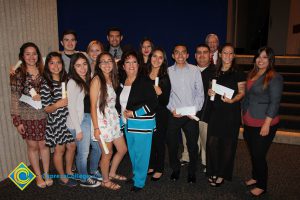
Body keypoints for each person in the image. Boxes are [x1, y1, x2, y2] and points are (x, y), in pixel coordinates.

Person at [10, 42, 52, 188]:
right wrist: (17, 121)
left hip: (44, 115)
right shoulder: (17, 74)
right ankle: (38, 176)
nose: (31, 57)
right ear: (22, 56)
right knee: (33, 146)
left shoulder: (45, 71)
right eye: (27, 54)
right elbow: (14, 98)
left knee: (44, 145)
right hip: (26, 117)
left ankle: (46, 173)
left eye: (34, 53)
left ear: (38, 55)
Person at [242, 47, 283, 197]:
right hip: (249, 120)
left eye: (265, 57)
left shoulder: (274, 77)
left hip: (264, 122)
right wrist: (243, 114)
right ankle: (255, 177)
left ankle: (262, 185)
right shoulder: (252, 74)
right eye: (259, 56)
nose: (260, 60)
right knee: (253, 152)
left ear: (270, 60)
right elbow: (247, 97)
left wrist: (266, 123)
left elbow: (275, 102)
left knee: (259, 154)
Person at [116, 51, 158, 192]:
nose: (131, 65)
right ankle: (135, 176)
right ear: (123, 66)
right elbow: (121, 104)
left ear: (139, 65)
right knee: (133, 153)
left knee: (142, 154)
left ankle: (139, 182)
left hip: (142, 124)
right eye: (128, 62)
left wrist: (135, 113)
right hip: (128, 124)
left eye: (134, 62)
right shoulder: (122, 82)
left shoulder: (144, 81)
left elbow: (153, 103)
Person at [206, 43, 246, 187]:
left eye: (231, 53)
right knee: (212, 143)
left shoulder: (238, 72)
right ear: (220, 54)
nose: (228, 56)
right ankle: (213, 170)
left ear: (233, 55)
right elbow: (212, 90)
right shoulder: (215, 72)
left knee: (228, 145)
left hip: (231, 113)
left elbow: (242, 92)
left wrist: (233, 99)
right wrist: (210, 91)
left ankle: (222, 173)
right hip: (216, 113)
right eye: (225, 53)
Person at [166, 44, 204, 184]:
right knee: (172, 144)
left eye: (183, 53)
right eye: (177, 52)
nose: (180, 55)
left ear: (187, 55)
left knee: (193, 145)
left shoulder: (195, 71)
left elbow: (200, 94)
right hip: (174, 114)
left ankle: (192, 171)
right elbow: (166, 94)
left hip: (190, 116)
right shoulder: (168, 71)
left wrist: (194, 109)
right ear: (173, 55)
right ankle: (175, 169)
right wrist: (171, 109)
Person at [90, 52, 128, 190]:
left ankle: (111, 173)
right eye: (103, 62)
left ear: (113, 63)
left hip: (113, 120)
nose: (106, 64)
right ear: (98, 65)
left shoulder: (111, 79)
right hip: (101, 122)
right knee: (107, 153)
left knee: (123, 149)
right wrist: (96, 128)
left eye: (109, 61)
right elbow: (93, 106)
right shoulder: (97, 80)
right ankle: (105, 181)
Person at [40, 52, 77, 187]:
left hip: (69, 119)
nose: (56, 66)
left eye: (58, 62)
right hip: (57, 122)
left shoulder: (67, 81)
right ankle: (62, 176)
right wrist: (57, 104)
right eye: (52, 63)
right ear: (47, 66)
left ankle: (68, 170)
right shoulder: (46, 85)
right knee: (59, 150)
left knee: (72, 146)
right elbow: (46, 109)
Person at [67, 53, 102, 187]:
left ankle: (92, 170)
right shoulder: (72, 82)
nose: (82, 68)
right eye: (78, 65)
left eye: (84, 64)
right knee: (83, 152)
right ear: (73, 67)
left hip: (89, 118)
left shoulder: (89, 79)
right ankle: (83, 178)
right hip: (79, 121)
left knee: (98, 148)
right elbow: (71, 108)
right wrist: (78, 129)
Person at [180, 44, 216, 172]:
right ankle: (187, 156)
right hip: (189, 111)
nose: (202, 55)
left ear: (210, 55)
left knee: (205, 138)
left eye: (205, 52)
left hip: (207, 112)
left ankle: (206, 161)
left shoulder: (216, 72)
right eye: (199, 52)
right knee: (187, 137)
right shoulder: (188, 70)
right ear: (195, 56)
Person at [146, 48, 171, 181]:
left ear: (163, 60)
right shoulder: (145, 73)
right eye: (154, 56)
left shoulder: (164, 78)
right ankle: (151, 164)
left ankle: (160, 168)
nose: (156, 59)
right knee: (149, 141)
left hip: (160, 114)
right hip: (146, 113)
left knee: (158, 141)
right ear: (150, 57)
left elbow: (165, 101)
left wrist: (160, 93)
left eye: (160, 57)